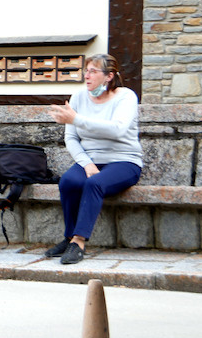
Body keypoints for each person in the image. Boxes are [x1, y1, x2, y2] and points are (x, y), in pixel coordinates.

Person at [45, 54, 143, 265]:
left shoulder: (125, 97)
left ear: (109, 76)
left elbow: (118, 130)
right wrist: (87, 163)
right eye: (86, 71)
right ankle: (69, 237)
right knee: (69, 182)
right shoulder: (79, 97)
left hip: (124, 161)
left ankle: (79, 242)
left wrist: (76, 119)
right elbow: (71, 138)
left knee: (94, 183)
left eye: (92, 71)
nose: (86, 76)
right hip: (90, 160)